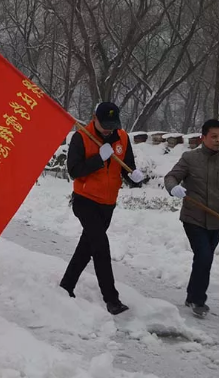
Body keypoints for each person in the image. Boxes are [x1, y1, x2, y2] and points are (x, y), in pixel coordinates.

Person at [60, 102, 144, 315]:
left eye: (112, 125)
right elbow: (74, 171)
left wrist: (134, 178)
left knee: (86, 247)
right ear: (93, 118)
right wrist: (99, 159)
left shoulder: (122, 138)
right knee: (100, 248)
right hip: (84, 200)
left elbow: (127, 167)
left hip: (108, 203)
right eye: (104, 124)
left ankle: (66, 286)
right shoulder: (81, 137)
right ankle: (111, 299)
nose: (108, 129)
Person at [164, 119, 219, 317]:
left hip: (217, 220)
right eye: (214, 136)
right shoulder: (190, 158)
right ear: (203, 137)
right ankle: (199, 301)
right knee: (204, 256)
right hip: (193, 217)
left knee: (204, 260)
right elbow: (171, 176)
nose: (218, 140)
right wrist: (174, 188)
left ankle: (192, 296)